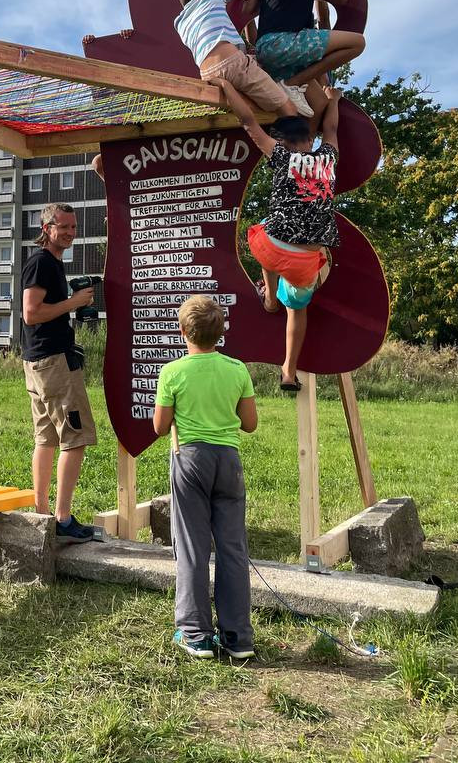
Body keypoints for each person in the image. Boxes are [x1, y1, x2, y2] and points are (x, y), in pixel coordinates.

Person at [214, 76, 342, 391]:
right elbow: (332, 129)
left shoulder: (282, 157)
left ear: (282, 142)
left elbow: (247, 121)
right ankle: (288, 370)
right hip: (305, 261)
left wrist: (226, 85)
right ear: (309, 140)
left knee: (260, 233)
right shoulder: (328, 159)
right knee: (297, 309)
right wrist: (333, 99)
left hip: (272, 247)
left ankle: (270, 296)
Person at [153, 295, 258, 659]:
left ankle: (195, 633)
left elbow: (160, 425)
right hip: (228, 460)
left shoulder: (173, 372)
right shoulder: (237, 369)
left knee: (192, 546)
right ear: (222, 331)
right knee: (232, 548)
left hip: (190, 461)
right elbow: (250, 423)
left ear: (183, 332)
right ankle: (238, 637)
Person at [21, 202, 99, 544]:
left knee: (46, 437)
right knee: (75, 438)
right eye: (63, 226)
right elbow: (31, 313)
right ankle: (63, 518)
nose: (69, 232)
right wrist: (74, 302)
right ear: (47, 227)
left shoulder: (49, 262)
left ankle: (40, 510)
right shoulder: (41, 263)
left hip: (38, 361)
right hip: (53, 362)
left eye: (73, 227)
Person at [173, 0, 312, 121]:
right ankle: (291, 124)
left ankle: (277, 87)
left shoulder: (180, 23)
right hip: (231, 64)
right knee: (289, 110)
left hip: (208, 75)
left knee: (257, 61)